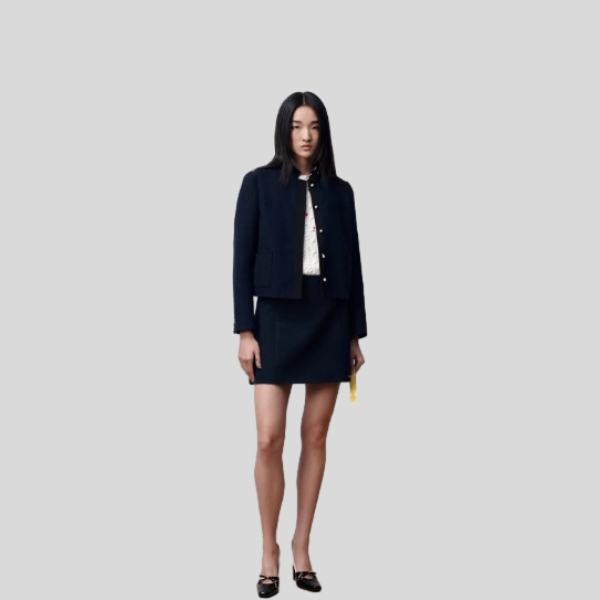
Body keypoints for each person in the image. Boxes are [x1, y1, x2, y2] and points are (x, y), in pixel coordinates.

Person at [232, 91, 367, 597]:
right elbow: (240, 259)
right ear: (284, 131)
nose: (305, 135)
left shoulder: (341, 191)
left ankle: (301, 546)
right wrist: (245, 330)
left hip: (329, 318)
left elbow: (354, 264)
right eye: (296, 126)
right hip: (274, 320)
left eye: (313, 126)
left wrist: (355, 332)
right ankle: (267, 549)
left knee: (315, 436)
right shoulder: (258, 183)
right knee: (269, 438)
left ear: (323, 132)